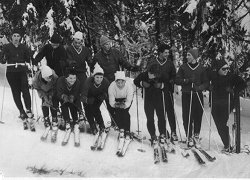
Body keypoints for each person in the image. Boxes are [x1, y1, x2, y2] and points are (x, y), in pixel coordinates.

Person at [92, 35, 140, 127]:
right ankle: (114, 122)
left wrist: (132, 68)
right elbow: (94, 70)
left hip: (117, 83)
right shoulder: (97, 56)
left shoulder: (115, 53)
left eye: (108, 43)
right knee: (109, 103)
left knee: (119, 103)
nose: (108, 45)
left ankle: (121, 123)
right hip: (105, 83)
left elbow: (124, 63)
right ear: (102, 45)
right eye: (105, 44)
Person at [209, 60, 246, 152]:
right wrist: (208, 88)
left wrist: (233, 89)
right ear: (218, 69)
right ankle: (226, 142)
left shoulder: (231, 76)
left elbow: (243, 84)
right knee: (218, 124)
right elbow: (204, 80)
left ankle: (227, 144)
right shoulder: (214, 76)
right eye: (224, 69)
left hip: (227, 103)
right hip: (215, 103)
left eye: (227, 68)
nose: (226, 70)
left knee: (221, 123)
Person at [175, 48, 209, 147]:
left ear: (194, 56)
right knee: (187, 116)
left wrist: (199, 87)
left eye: (189, 55)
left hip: (197, 94)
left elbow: (206, 82)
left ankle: (196, 136)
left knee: (198, 115)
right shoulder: (183, 67)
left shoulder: (201, 68)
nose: (187, 57)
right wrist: (187, 81)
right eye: (187, 55)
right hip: (186, 94)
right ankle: (189, 136)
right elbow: (177, 80)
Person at [0, 28, 33, 125]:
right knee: (16, 92)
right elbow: (2, 60)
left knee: (25, 90)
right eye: (14, 36)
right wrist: (4, 57)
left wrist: (30, 56)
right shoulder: (7, 47)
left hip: (22, 71)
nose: (16, 38)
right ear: (11, 37)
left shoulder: (23, 47)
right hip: (11, 72)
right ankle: (21, 111)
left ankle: (28, 110)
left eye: (18, 36)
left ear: (20, 37)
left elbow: (28, 58)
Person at [148, 44, 178, 141]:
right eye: (165, 52)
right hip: (156, 91)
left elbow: (174, 75)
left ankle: (173, 132)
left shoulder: (169, 63)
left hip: (167, 90)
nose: (167, 54)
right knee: (160, 112)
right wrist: (155, 82)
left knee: (170, 111)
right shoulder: (153, 62)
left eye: (168, 52)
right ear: (160, 53)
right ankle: (162, 132)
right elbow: (148, 75)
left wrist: (171, 81)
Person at [134, 64, 167, 143]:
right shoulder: (144, 75)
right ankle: (153, 135)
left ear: (156, 74)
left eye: (151, 74)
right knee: (150, 118)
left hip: (158, 98)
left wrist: (161, 85)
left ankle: (162, 134)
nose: (149, 75)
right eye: (149, 73)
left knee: (161, 117)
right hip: (148, 99)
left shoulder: (161, 75)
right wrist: (142, 84)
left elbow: (168, 84)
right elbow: (135, 81)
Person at [81, 63, 109, 134]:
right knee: (88, 110)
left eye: (101, 77)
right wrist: (87, 100)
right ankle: (92, 125)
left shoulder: (105, 82)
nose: (99, 79)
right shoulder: (88, 81)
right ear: (94, 76)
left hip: (98, 97)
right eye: (97, 77)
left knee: (95, 109)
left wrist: (104, 95)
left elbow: (108, 93)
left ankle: (101, 125)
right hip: (88, 97)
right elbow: (82, 96)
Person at [32, 65, 58, 131]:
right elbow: (38, 89)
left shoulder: (54, 77)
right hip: (43, 91)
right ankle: (46, 118)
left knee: (53, 101)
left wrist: (51, 96)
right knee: (45, 102)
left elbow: (56, 87)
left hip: (52, 90)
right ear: (44, 77)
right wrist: (44, 96)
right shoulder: (36, 79)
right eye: (48, 78)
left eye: (50, 77)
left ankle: (54, 118)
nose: (50, 79)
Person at [108, 71, 134, 139]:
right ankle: (121, 128)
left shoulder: (129, 86)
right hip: (116, 100)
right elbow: (111, 101)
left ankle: (127, 130)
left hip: (125, 100)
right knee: (118, 112)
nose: (120, 84)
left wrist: (125, 105)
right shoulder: (112, 86)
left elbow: (129, 100)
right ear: (115, 82)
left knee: (125, 112)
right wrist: (115, 105)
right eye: (118, 82)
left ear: (125, 81)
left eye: (122, 82)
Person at [56, 67, 81, 133]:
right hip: (63, 96)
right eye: (70, 78)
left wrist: (73, 97)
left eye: (74, 78)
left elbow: (77, 93)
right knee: (64, 105)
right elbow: (58, 92)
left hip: (72, 96)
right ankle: (67, 120)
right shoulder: (60, 81)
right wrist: (63, 96)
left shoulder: (77, 82)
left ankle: (75, 120)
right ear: (66, 77)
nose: (72, 80)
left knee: (73, 104)